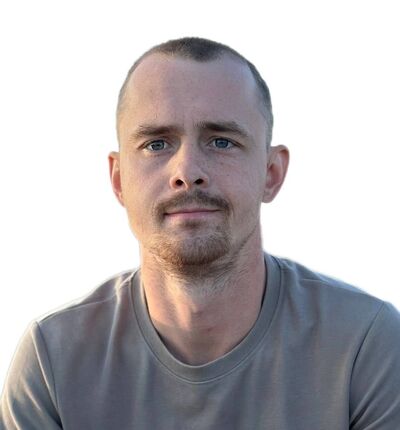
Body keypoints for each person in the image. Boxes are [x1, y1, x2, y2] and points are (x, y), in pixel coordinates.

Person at [1, 37, 399, 429]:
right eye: (156, 144)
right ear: (119, 180)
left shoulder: (365, 346)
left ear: (271, 173)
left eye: (222, 141)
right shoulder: (53, 361)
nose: (187, 171)